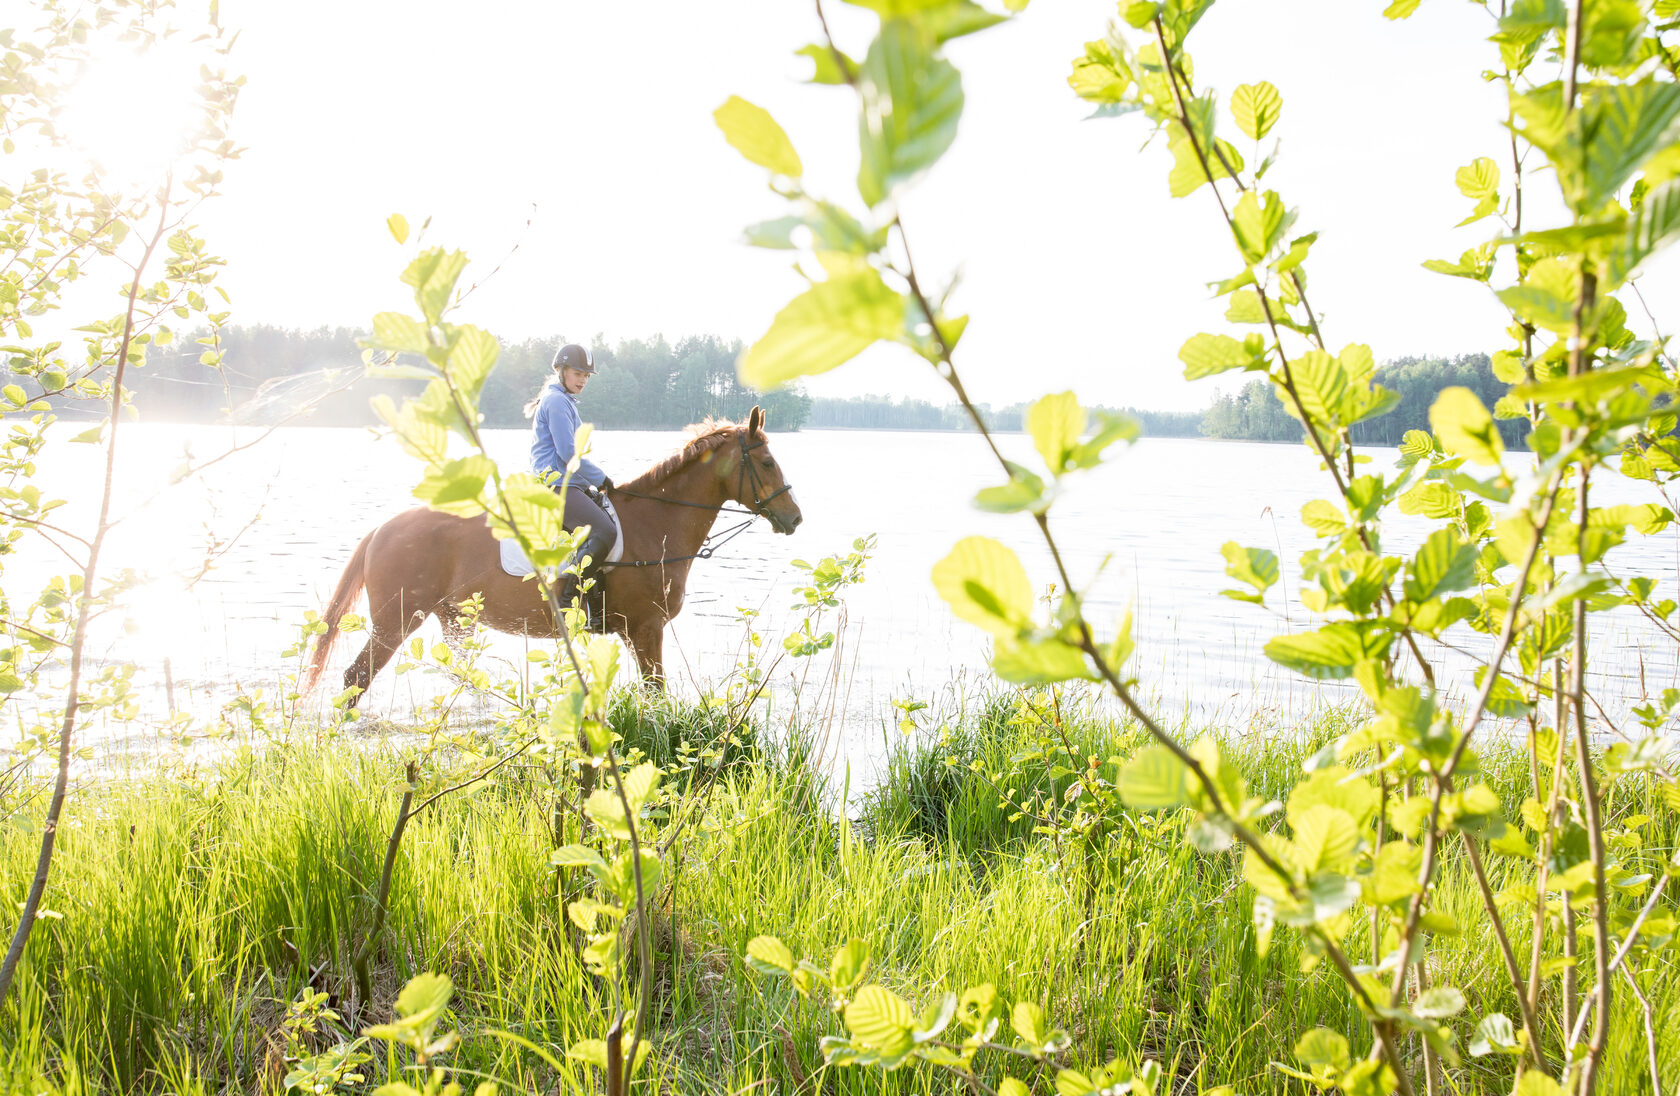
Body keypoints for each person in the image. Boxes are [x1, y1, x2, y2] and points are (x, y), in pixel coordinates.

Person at [526, 342, 617, 607]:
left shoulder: (563, 400)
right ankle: (567, 600)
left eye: (586, 376)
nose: (583, 380)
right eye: (578, 374)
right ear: (561, 371)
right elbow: (568, 452)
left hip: (567, 483)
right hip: (555, 486)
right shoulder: (556, 401)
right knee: (604, 532)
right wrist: (601, 479)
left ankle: (595, 605)